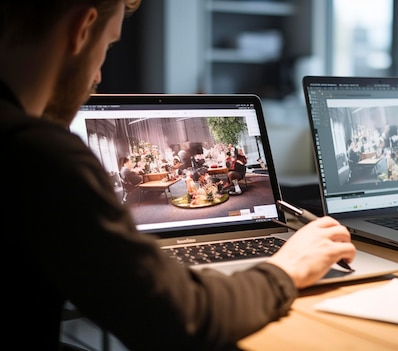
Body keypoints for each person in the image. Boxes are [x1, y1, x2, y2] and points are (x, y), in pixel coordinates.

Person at [0, 1, 356, 350]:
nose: (98, 77)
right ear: (81, 29)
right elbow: (183, 318)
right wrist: (286, 268)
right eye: (107, 46)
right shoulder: (39, 156)